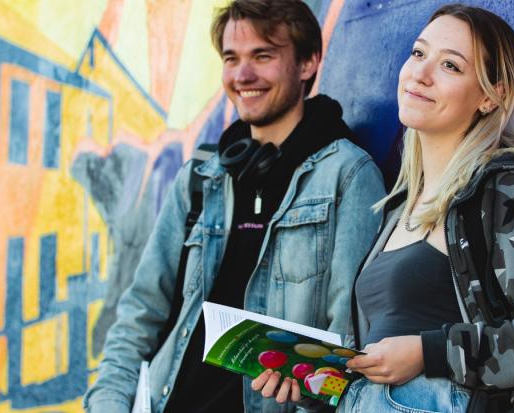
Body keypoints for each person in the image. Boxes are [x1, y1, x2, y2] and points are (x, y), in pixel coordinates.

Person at [251, 4, 514, 412]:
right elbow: (382, 366)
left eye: (450, 65)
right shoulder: (400, 205)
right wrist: (313, 385)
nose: (420, 72)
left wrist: (428, 351)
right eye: (418, 53)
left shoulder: (501, 189)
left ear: (490, 96)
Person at [84, 1, 386, 412]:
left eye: (263, 56)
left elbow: (348, 353)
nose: (242, 75)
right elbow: (139, 315)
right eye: (232, 59)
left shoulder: (348, 176)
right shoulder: (201, 176)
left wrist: (313, 395)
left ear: (308, 63)